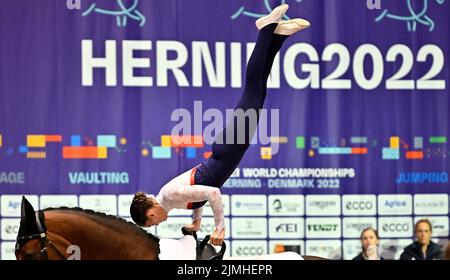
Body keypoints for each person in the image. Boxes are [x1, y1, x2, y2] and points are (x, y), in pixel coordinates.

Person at [129, 4, 310, 246]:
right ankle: (276, 37)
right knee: (259, 90)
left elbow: (212, 192)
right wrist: (196, 221)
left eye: (153, 223)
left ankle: (265, 28)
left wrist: (219, 228)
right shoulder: (170, 199)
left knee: (254, 89)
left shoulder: (169, 196)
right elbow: (199, 192)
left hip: (228, 150)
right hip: (226, 150)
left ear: (150, 214)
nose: (158, 224)